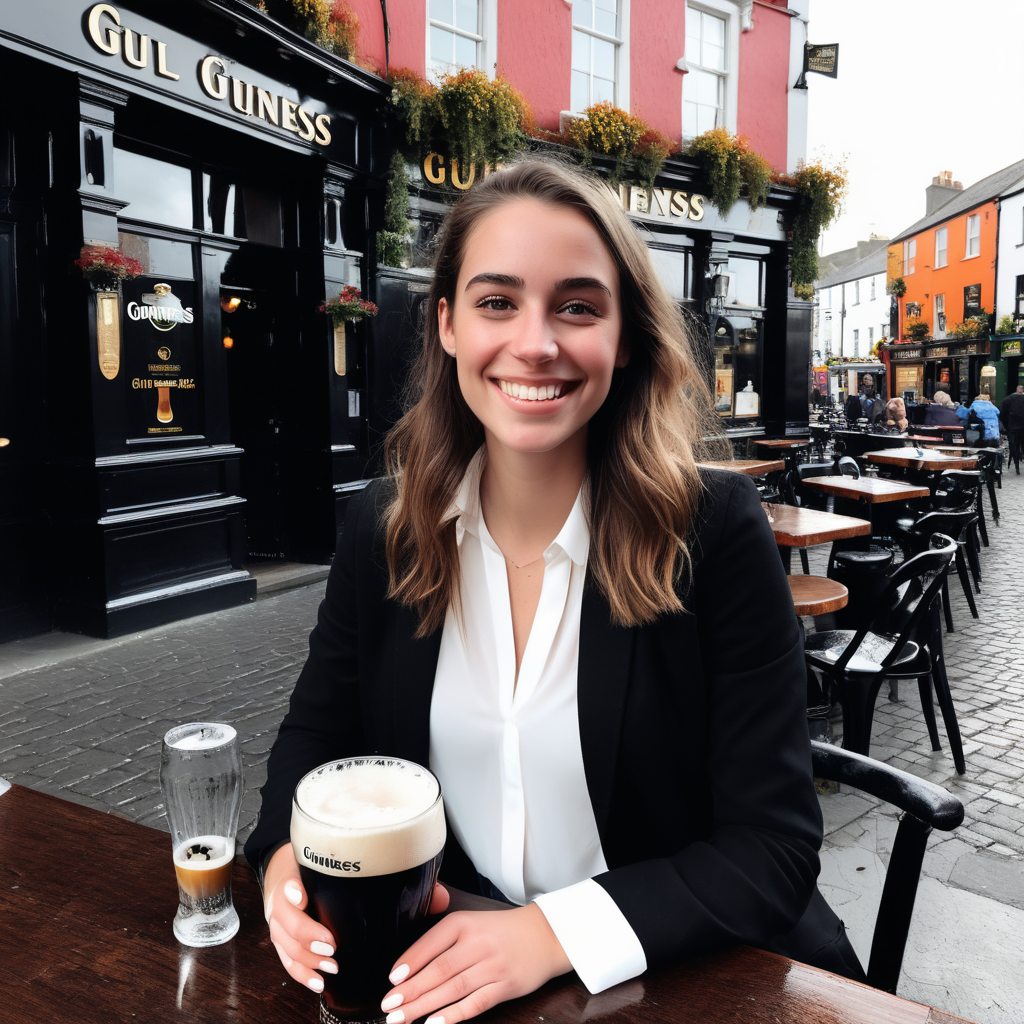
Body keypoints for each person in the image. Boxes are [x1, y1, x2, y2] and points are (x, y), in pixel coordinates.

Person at [244, 160, 862, 1024]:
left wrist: (548, 935)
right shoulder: (382, 527)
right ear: (449, 324)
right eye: (498, 302)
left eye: (577, 306)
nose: (536, 342)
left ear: (626, 335)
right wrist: (281, 859)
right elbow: (316, 736)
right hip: (457, 975)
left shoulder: (714, 529)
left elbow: (773, 849)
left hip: (699, 980)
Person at [1000, 385, 1024, 473]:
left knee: (1014, 446)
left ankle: (1016, 464)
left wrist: (1007, 426)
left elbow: (1002, 414)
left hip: (1012, 427)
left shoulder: (1007, 399)